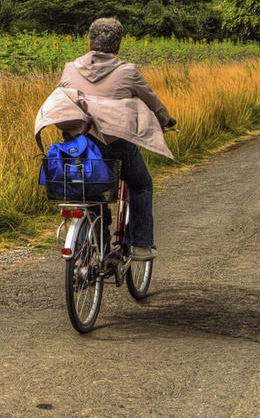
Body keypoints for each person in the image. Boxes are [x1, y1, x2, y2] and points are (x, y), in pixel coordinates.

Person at [56, 16, 175, 261]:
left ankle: (86, 242)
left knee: (87, 188)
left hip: (75, 147)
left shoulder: (70, 68)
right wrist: (166, 120)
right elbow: (152, 101)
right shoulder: (127, 71)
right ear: (118, 46)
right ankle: (141, 243)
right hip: (114, 144)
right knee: (141, 184)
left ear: (89, 44)